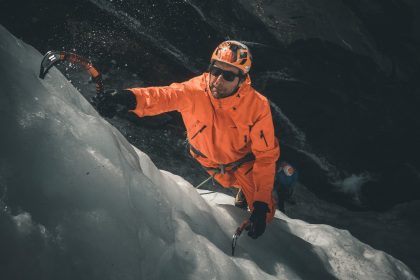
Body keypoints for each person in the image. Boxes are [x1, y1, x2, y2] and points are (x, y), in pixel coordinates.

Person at [94, 40, 280, 239]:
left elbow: (265, 157)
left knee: (266, 213)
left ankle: (247, 191)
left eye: (228, 75)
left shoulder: (257, 106)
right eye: (215, 71)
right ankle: (241, 188)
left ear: (242, 79)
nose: (218, 81)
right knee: (232, 184)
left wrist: (260, 206)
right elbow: (164, 96)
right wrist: (126, 98)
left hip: (241, 165)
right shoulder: (196, 90)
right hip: (207, 159)